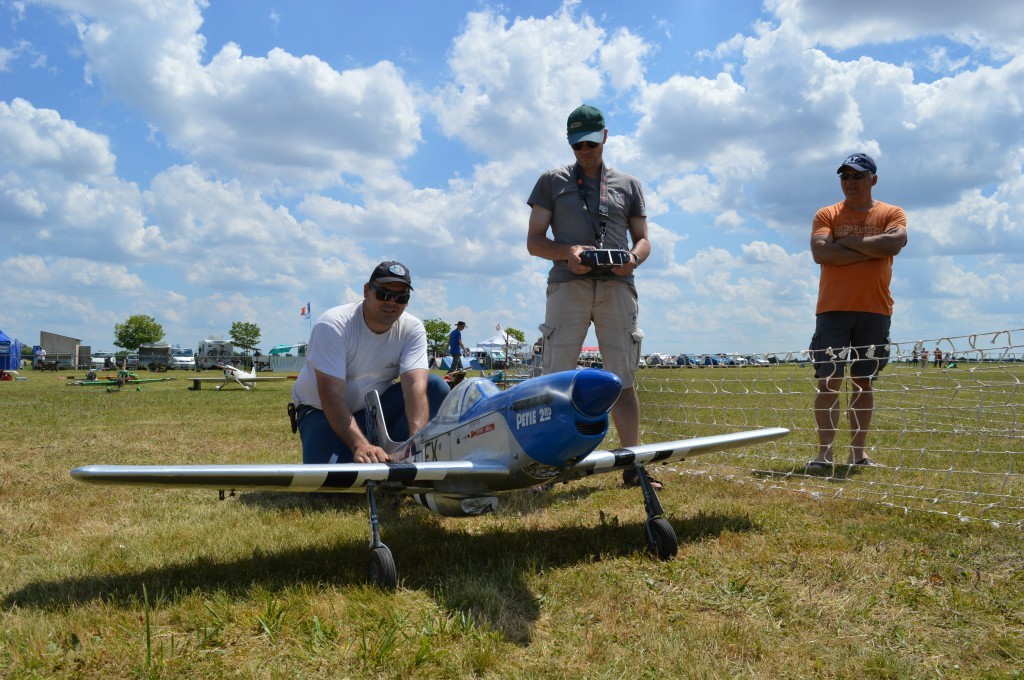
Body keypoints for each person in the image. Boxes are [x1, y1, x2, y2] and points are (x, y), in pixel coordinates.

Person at [527, 104, 652, 487]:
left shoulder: (629, 184)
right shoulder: (551, 180)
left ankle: (633, 466)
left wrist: (631, 259)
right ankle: (547, 466)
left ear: (605, 136)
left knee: (622, 379)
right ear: (569, 143)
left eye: (591, 142)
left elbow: (644, 240)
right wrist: (570, 253)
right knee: (554, 379)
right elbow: (534, 242)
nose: (585, 149)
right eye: (577, 143)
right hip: (568, 284)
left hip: (617, 287)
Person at [291, 261, 449, 465]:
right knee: (333, 485)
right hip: (322, 411)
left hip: (373, 411)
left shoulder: (412, 328)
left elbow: (415, 386)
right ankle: (365, 453)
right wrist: (360, 445)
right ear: (366, 290)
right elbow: (330, 394)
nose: (392, 302)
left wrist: (416, 441)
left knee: (433, 386)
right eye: (383, 293)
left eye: (401, 297)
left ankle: (402, 458)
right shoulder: (333, 325)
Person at [808, 153, 907, 468]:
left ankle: (858, 454)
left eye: (857, 176)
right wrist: (870, 247)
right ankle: (823, 455)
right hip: (833, 310)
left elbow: (894, 244)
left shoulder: (892, 212)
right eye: (845, 176)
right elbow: (821, 252)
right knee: (829, 381)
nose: (849, 182)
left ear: (873, 179)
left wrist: (846, 243)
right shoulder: (827, 214)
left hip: (875, 311)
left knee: (864, 382)